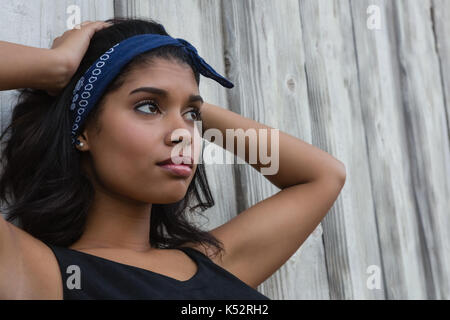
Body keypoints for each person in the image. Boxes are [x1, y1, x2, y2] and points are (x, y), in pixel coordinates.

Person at [0, 17, 346, 299]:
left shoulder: (216, 266)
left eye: (192, 116)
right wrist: (56, 67)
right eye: (148, 107)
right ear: (82, 132)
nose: (183, 134)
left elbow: (324, 175)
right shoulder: (40, 274)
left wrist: (185, 105)